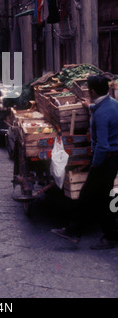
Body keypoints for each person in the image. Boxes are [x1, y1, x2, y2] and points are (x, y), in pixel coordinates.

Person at [52, 75, 118, 250]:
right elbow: (102, 108)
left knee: (88, 196)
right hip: (112, 160)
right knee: (101, 198)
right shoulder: (112, 104)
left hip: (104, 161)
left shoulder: (102, 114)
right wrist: (89, 106)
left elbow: (102, 146)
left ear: (93, 91)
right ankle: (106, 234)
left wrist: (95, 164)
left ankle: (76, 231)